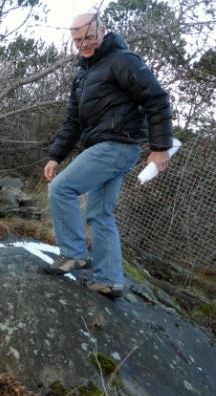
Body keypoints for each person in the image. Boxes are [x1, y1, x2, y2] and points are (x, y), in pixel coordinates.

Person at [43, 13, 172, 297]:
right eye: (78, 40)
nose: (84, 44)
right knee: (100, 213)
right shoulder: (83, 75)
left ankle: (73, 253)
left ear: (104, 31)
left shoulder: (123, 60)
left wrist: (160, 148)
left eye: (89, 37)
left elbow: (157, 99)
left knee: (61, 188)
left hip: (117, 145)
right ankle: (110, 280)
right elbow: (73, 122)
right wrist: (55, 156)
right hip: (104, 147)